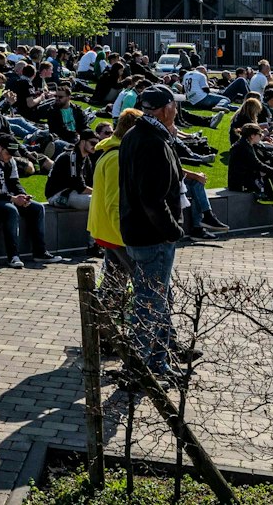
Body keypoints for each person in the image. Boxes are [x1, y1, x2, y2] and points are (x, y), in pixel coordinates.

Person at [117, 85, 186, 377]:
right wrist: (173, 231)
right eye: (174, 104)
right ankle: (138, 371)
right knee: (149, 304)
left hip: (137, 232)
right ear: (165, 108)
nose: (177, 109)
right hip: (152, 236)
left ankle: (158, 363)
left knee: (158, 301)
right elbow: (152, 198)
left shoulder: (136, 135)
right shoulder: (152, 142)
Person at [0, 132, 65, 268]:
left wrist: (23, 196)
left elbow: (15, 183)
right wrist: (13, 199)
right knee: (11, 210)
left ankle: (40, 252)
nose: (10, 157)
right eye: (8, 153)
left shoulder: (10, 160)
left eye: (13, 154)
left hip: (2, 196)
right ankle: (13, 256)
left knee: (37, 208)